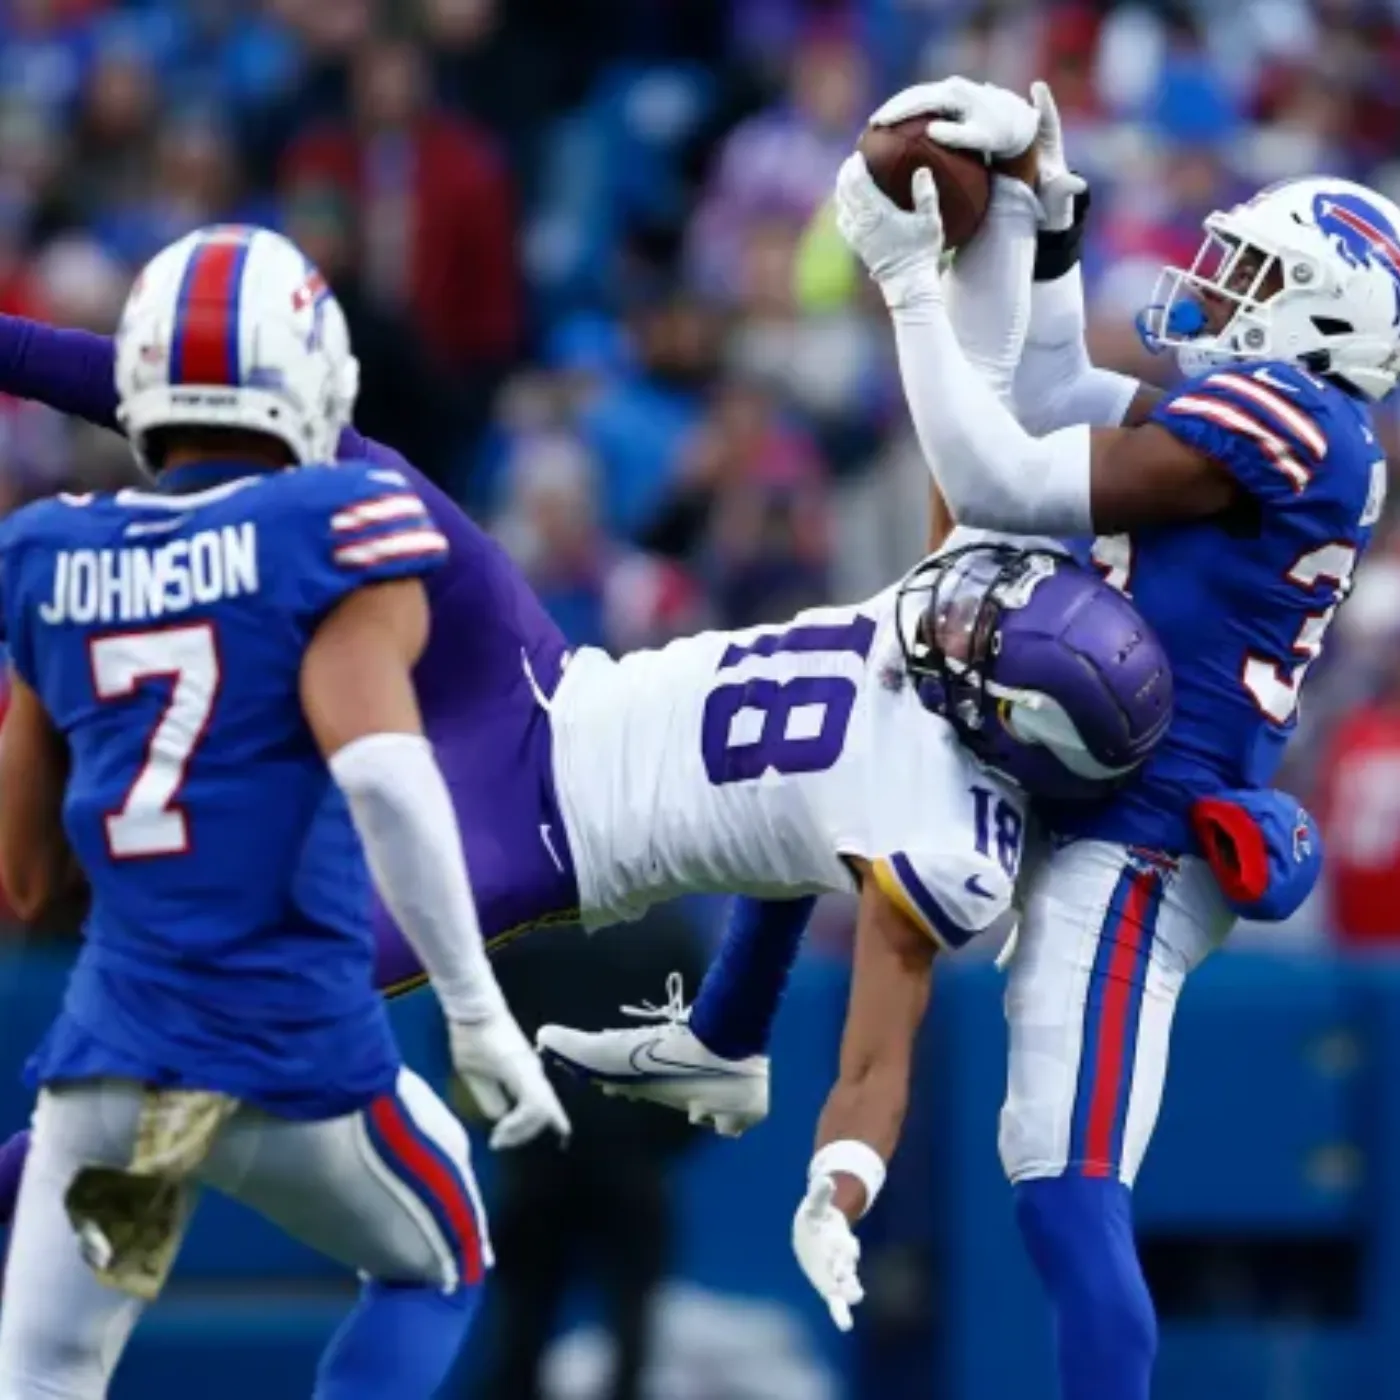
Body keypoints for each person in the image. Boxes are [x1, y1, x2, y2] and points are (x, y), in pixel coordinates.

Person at [543, 76, 1380, 1394]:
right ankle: (726, 1032)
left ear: (1324, 314)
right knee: (837, 758)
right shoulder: (1278, 424)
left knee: (1062, 1186)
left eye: (1253, 274)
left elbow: (1002, 471)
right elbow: (1049, 396)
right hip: (1080, 751)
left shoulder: (1296, 424)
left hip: (1142, 838)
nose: (1216, 291)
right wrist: (1047, 222)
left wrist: (913, 292)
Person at [0, 290, 1171, 1222]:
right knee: (304, 434)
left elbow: (871, 1056)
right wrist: (997, 245)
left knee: (225, 1021)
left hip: (523, 836)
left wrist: (839, 1175)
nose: (959, 610)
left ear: (1008, 723)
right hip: (531, 674)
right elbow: (975, 425)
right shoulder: (955, 682)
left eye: (983, 635)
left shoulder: (945, 841)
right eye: (988, 604)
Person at [0, 224, 566, 1399]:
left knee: (49, 1373)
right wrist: (473, 1011)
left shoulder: (52, 550)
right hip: (288, 1050)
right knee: (441, 1254)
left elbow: (28, 881)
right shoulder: (338, 524)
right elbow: (382, 774)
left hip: (114, 1058)